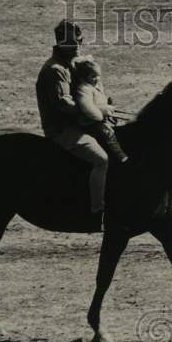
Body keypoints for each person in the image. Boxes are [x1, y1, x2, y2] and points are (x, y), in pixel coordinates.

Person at [35, 19, 113, 219]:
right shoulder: (55, 70)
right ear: (60, 42)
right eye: (72, 42)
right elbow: (64, 104)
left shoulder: (74, 63)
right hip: (62, 130)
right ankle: (99, 210)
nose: (78, 45)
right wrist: (95, 111)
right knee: (101, 160)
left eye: (80, 39)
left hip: (81, 124)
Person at [70, 57, 129, 167]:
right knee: (107, 133)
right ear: (84, 78)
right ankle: (120, 155)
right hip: (90, 121)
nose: (97, 79)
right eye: (93, 76)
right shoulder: (83, 90)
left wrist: (108, 106)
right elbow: (87, 108)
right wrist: (102, 114)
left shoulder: (95, 86)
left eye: (98, 76)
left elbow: (100, 101)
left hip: (100, 118)